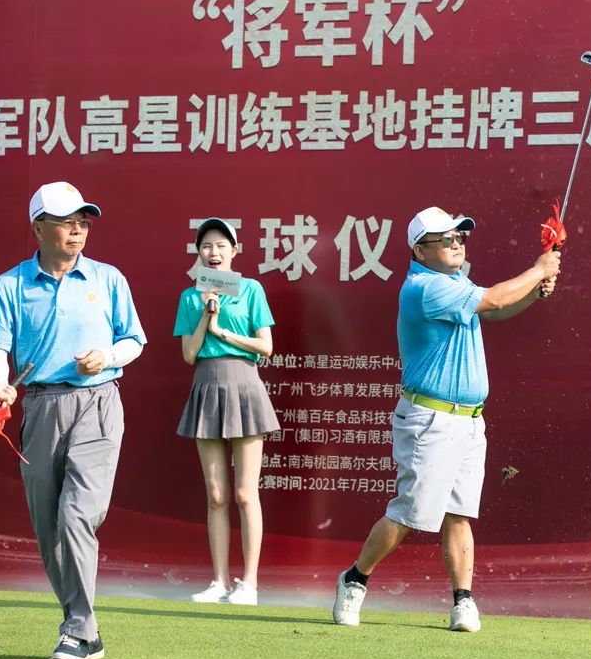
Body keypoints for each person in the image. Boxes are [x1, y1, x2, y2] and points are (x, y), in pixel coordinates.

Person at [332, 206, 560, 632]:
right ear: (420, 251)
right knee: (408, 515)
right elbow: (494, 299)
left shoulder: (457, 283)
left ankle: (463, 600)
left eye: (460, 237)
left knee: (459, 513)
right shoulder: (424, 288)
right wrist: (538, 270)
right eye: (447, 239)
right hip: (430, 420)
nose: (457, 244)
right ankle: (355, 579)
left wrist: (533, 293)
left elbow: (491, 311)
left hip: (470, 421)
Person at [0, 181, 146, 659]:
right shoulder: (10, 285)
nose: (78, 230)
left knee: (77, 515)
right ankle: (84, 630)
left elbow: (133, 340)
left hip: (98, 404)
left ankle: (77, 630)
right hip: (40, 408)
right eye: (67, 222)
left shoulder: (107, 278)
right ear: (38, 229)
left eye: (83, 221)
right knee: (49, 528)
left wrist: (107, 356)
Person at [174, 218, 279, 606]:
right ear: (198, 253)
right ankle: (218, 581)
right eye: (206, 246)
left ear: (234, 251)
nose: (213, 253)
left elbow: (266, 346)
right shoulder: (190, 297)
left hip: (245, 387)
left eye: (221, 246)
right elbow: (189, 354)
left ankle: (249, 583)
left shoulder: (251, 289)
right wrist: (206, 315)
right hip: (206, 386)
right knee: (216, 494)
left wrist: (223, 333)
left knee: (245, 493)